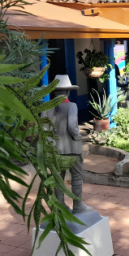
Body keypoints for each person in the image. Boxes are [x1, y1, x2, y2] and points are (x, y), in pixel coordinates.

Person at [43, 75, 94, 214]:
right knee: (77, 176)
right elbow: (72, 127)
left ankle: (60, 206)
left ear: (54, 92)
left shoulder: (46, 108)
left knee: (58, 178)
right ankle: (77, 205)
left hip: (55, 150)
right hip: (72, 149)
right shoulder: (71, 106)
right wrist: (79, 137)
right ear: (67, 92)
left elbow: (44, 131)